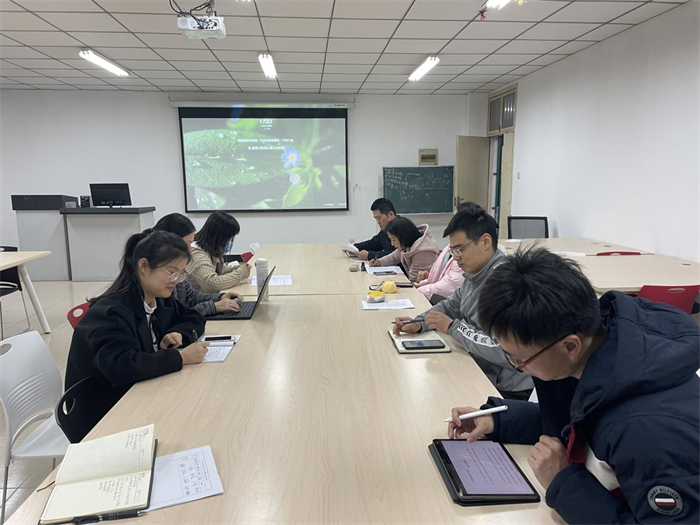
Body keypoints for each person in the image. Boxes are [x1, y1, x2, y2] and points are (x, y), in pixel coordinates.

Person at [448, 248, 699, 524]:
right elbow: (578, 421)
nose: (520, 367)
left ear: (570, 346)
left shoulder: (645, 432)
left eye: (520, 359)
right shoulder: (600, 345)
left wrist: (565, 482)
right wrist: (498, 420)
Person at [65, 231, 210, 429]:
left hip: (140, 392)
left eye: (181, 273)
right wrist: (180, 357)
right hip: (104, 413)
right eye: (171, 272)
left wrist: (178, 332)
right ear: (143, 266)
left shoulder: (159, 298)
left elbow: (194, 316)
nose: (177, 280)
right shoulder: (110, 313)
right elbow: (122, 366)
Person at [394, 207, 533, 399]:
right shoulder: (475, 273)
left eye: (460, 249)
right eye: (453, 250)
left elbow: (504, 351)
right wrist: (419, 322)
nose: (455, 257)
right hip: (480, 367)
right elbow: (450, 306)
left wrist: (453, 327)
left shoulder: (508, 283)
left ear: (485, 241)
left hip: (505, 387)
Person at [149, 213, 242, 317]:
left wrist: (220, 297)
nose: (190, 249)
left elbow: (191, 297)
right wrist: (213, 307)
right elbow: (176, 317)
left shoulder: (176, 272)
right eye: (187, 243)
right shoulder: (159, 280)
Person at [414, 203, 481, 303]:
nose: (452, 222)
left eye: (456, 218)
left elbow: (451, 285)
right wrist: (430, 277)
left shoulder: (467, 253)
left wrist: (419, 291)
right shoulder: (452, 246)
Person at [186, 211, 251, 293]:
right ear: (218, 236)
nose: (230, 241)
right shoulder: (196, 254)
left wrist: (234, 269)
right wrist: (240, 273)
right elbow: (211, 284)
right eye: (229, 237)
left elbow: (217, 270)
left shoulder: (209, 249)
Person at [369, 216, 439, 282]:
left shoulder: (422, 252)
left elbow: (415, 281)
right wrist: (379, 262)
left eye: (394, 240)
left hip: (424, 289)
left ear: (403, 237)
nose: (392, 244)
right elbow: (394, 257)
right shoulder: (407, 244)